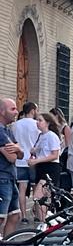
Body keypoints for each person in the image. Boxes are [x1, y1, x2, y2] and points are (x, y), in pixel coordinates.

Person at [27, 113, 62, 222]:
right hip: (40, 167)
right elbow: (39, 150)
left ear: (47, 123)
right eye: (37, 120)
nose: (37, 123)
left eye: (40, 120)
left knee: (38, 195)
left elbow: (54, 155)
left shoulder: (52, 136)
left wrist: (37, 160)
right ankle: (46, 219)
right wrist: (34, 152)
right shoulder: (41, 136)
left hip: (50, 168)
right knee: (44, 197)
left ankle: (44, 221)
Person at [12, 101, 40, 220]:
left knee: (22, 189)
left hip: (19, 161)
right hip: (33, 161)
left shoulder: (15, 125)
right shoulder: (37, 124)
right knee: (36, 189)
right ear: (33, 110)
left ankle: (23, 215)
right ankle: (38, 214)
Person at [0, 98, 24, 236]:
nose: (16, 112)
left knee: (14, 215)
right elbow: (12, 157)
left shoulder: (8, 130)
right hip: (2, 177)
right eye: (12, 109)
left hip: (10, 177)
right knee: (1, 216)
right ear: (2, 111)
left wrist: (18, 149)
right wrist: (17, 150)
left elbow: (20, 154)